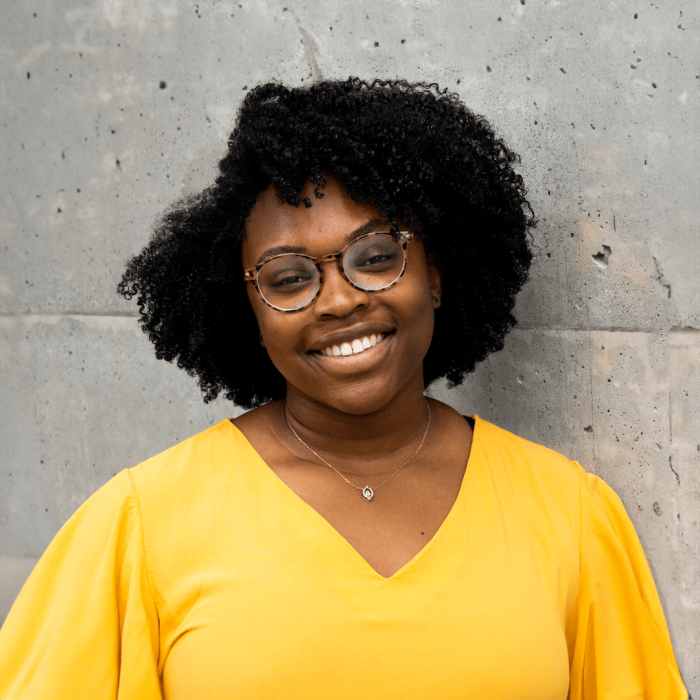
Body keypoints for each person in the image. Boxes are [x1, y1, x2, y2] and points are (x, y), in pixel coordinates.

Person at [0, 79, 688, 699]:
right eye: (289, 277)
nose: (337, 300)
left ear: (436, 273)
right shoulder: (140, 524)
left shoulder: (571, 514)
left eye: (376, 258)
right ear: (253, 314)